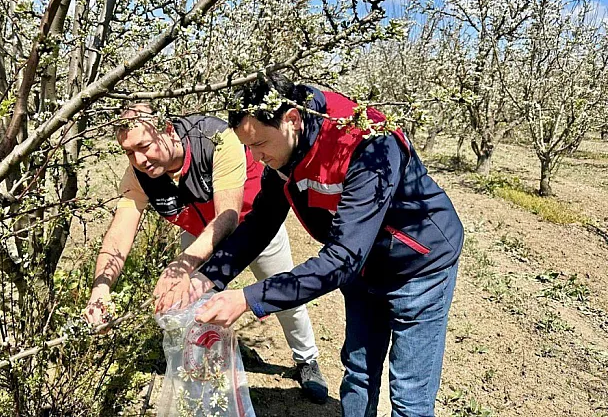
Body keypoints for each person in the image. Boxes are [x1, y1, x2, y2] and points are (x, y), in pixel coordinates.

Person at [185, 74, 465, 416]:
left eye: (259, 145)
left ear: (291, 119)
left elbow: (343, 257)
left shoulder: (368, 142)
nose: (255, 158)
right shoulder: (286, 148)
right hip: (364, 268)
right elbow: (261, 221)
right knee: (359, 372)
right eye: (249, 148)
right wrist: (210, 276)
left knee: (409, 395)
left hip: (418, 265)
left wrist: (249, 298)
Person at [83, 103, 328, 403]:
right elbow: (120, 232)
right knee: (190, 307)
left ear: (167, 130)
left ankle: (306, 359)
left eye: (144, 146)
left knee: (283, 295)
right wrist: (101, 289)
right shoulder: (139, 173)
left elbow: (227, 215)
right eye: (129, 152)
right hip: (198, 236)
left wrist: (181, 266)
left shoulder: (215, 138)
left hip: (253, 227)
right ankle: (200, 371)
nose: (139, 159)